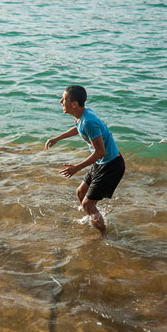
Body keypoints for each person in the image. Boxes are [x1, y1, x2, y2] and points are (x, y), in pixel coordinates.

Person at [45, 85, 125, 236]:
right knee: (81, 192)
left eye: (65, 99)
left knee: (87, 204)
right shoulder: (82, 115)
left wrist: (77, 168)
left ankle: (104, 235)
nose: (60, 101)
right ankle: (95, 217)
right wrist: (57, 138)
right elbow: (78, 128)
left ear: (74, 104)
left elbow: (101, 152)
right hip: (102, 163)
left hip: (112, 165)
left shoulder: (89, 121)